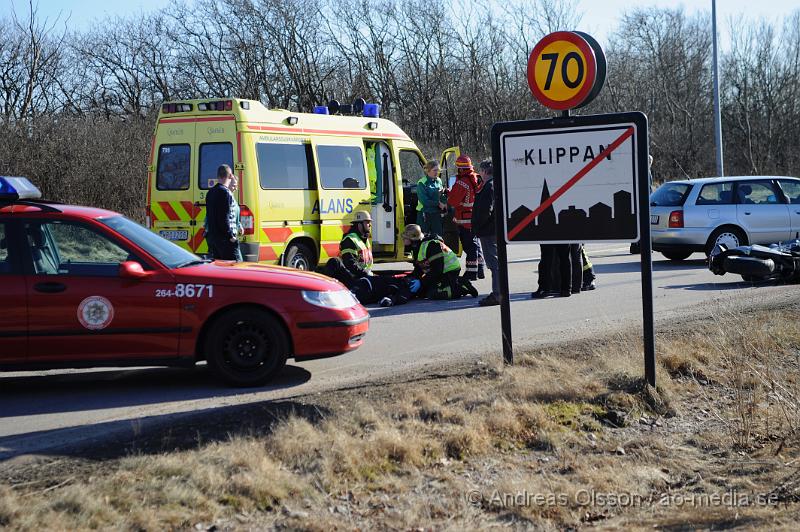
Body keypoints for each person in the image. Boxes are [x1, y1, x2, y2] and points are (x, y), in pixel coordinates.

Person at [324, 211, 411, 307]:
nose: (370, 225)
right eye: (367, 222)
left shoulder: (364, 239)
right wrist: (367, 276)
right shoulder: (350, 240)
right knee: (334, 262)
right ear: (359, 224)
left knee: (390, 281)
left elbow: (367, 264)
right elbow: (350, 264)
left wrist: (372, 275)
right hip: (354, 278)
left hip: (365, 277)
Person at [401, 224, 478, 300]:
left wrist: (421, 282)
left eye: (405, 238)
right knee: (421, 293)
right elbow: (419, 267)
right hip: (438, 272)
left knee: (434, 294)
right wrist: (411, 278)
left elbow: (437, 270)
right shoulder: (416, 247)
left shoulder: (432, 245)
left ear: (413, 239)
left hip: (449, 271)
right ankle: (453, 283)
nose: (402, 239)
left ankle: (461, 286)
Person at [447, 155, 485, 280]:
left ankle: (471, 273)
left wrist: (449, 193)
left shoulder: (462, 183)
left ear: (460, 169)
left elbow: (453, 201)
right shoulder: (477, 178)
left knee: (469, 246)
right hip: (476, 217)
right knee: (476, 244)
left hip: (464, 219)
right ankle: (480, 269)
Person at [472, 158, 500, 306]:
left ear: (483, 171)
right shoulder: (493, 184)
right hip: (492, 229)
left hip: (488, 230)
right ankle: (498, 292)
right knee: (495, 263)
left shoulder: (489, 187)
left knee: (494, 264)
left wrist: (477, 226)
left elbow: (485, 211)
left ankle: (498, 294)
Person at [205, 164, 243, 261]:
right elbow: (224, 218)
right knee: (236, 268)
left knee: (219, 269)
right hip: (225, 240)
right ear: (230, 176)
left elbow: (210, 217)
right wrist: (230, 236)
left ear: (218, 176)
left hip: (213, 239)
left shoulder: (210, 192)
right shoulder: (226, 193)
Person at [416, 161, 445, 237]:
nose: (437, 172)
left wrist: (445, 203)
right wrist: (438, 204)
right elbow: (424, 201)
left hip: (436, 214)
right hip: (424, 214)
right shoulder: (422, 183)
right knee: (423, 237)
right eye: (434, 170)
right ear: (428, 171)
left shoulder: (439, 181)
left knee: (438, 237)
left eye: (437, 170)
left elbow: (441, 196)